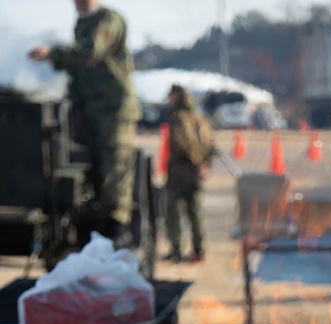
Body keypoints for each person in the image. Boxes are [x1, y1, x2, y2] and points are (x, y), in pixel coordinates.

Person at [28, 0, 141, 247]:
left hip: (114, 112)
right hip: (88, 113)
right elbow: (78, 69)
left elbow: (91, 51)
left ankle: (118, 228)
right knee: (92, 175)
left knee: (115, 168)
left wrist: (53, 54)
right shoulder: (82, 25)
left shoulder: (109, 20)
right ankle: (95, 230)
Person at [163, 85, 215, 263]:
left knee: (174, 210)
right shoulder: (200, 118)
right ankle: (199, 249)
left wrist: (194, 160)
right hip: (196, 173)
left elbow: (183, 142)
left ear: (177, 97)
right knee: (195, 212)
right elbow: (210, 144)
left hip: (181, 170)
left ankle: (176, 248)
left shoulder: (178, 118)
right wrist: (204, 164)